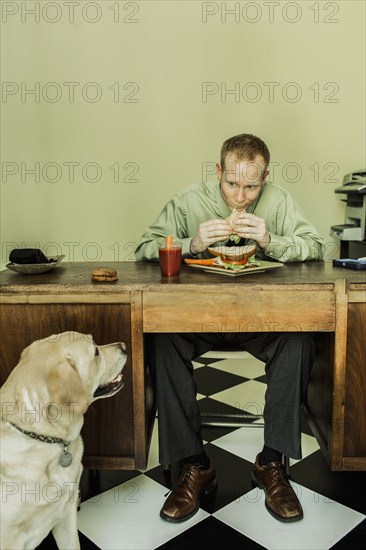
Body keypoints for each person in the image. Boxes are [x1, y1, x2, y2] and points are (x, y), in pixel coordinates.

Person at [135, 133, 324, 523]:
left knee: (300, 339)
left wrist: (273, 240)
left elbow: (317, 246)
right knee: (160, 339)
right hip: (196, 317)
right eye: (232, 184)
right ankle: (195, 464)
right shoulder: (187, 200)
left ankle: (271, 464)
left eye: (251, 187)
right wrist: (192, 242)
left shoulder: (281, 201)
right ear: (218, 171)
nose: (240, 197)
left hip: (262, 318)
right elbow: (141, 250)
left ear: (265, 178)